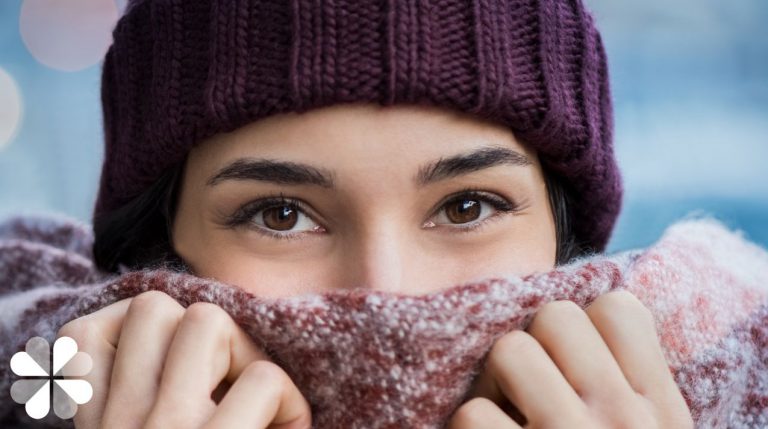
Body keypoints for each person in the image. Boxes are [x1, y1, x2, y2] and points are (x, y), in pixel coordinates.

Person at [19, 0, 695, 427]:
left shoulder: (729, 367)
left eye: (467, 206)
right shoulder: (43, 377)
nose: (385, 293)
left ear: (563, 233)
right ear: (156, 252)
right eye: (280, 214)